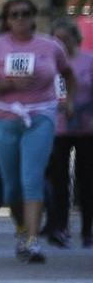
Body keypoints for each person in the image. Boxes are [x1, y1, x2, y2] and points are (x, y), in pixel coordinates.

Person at [0, 0, 75, 264]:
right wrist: (9, 84)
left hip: (40, 116)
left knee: (32, 178)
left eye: (25, 13)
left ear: (33, 17)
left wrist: (68, 101)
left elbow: (68, 74)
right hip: (4, 117)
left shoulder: (50, 46)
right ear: (7, 20)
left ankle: (32, 240)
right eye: (14, 14)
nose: (20, 19)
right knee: (12, 188)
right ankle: (21, 228)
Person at [47, 19, 93, 248]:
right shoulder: (50, 63)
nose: (61, 44)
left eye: (65, 39)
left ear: (76, 38)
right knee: (59, 179)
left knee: (87, 179)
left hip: (86, 127)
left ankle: (88, 229)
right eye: (57, 39)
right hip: (58, 128)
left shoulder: (88, 60)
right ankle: (61, 226)